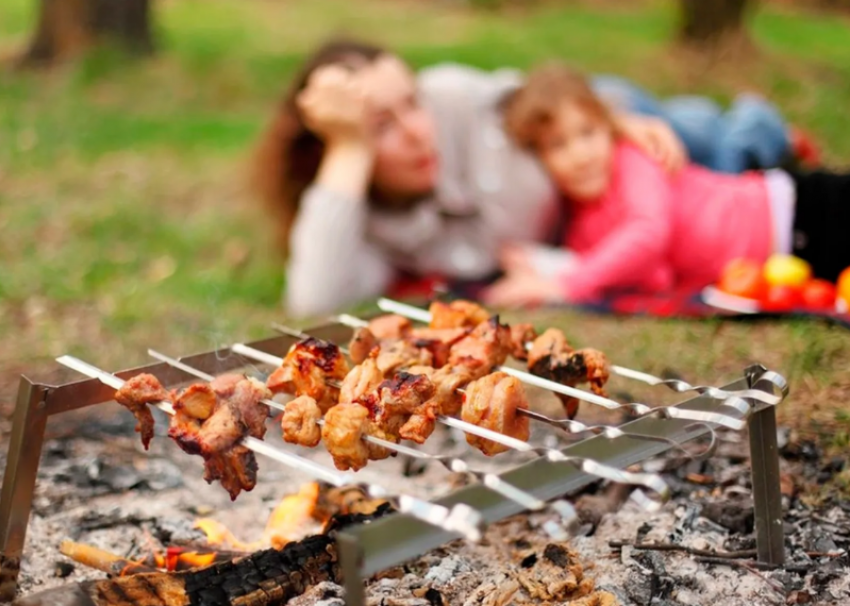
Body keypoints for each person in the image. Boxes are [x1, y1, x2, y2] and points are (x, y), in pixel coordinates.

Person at [253, 39, 690, 318]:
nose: (418, 133)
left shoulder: (451, 95)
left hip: (606, 135)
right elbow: (313, 302)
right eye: (381, 125)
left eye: (412, 102)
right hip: (600, 218)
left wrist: (616, 120)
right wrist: (351, 149)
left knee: (726, 137)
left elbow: (551, 100)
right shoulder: (366, 226)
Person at [484, 62, 849, 307]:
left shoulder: (632, 159)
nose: (580, 154)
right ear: (540, 160)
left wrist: (566, 284)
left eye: (587, 133)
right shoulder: (582, 228)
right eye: (558, 145)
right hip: (791, 262)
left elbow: (648, 232)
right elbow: (654, 276)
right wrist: (540, 264)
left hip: (797, 208)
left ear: (608, 127)